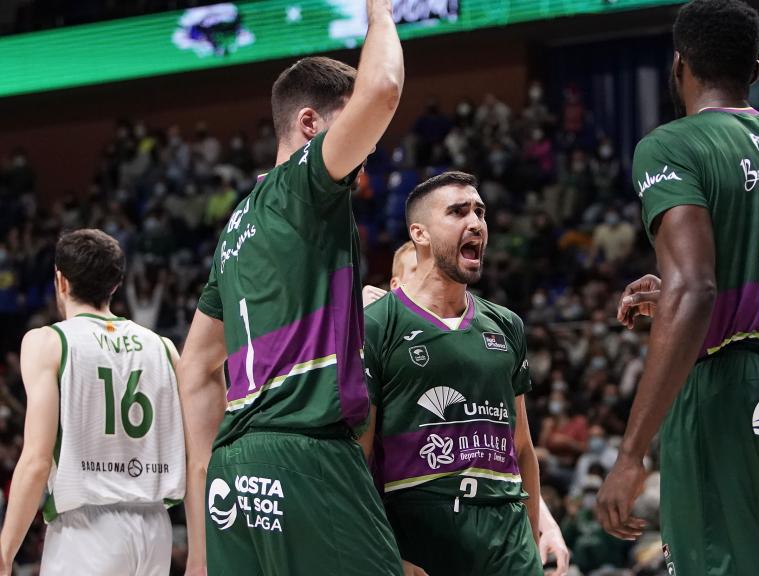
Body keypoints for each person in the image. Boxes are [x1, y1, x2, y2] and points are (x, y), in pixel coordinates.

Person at [597, 2, 759, 576]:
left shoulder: (670, 146)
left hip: (726, 392)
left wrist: (629, 454)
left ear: (679, 66)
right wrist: (681, 290)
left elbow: (695, 289)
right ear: (757, 69)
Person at [174, 0, 409, 573]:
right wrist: (379, 10)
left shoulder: (238, 226)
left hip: (236, 468)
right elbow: (382, 89)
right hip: (306, 450)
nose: (364, 164)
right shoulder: (303, 183)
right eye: (358, 140)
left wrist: (204, 512)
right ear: (309, 124)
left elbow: (195, 369)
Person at [359, 171, 543, 575]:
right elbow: (359, 457)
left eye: (480, 212)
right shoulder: (377, 324)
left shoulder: (506, 324)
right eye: (458, 212)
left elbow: (523, 447)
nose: (475, 223)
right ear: (420, 234)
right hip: (420, 530)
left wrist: (533, 535)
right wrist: (383, 553)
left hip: (507, 533)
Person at [0, 229, 185, 576]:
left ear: (61, 281)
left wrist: (5, 551)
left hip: (87, 532)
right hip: (155, 528)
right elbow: (194, 454)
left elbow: (37, 461)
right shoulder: (164, 347)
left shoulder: (47, 342)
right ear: (115, 284)